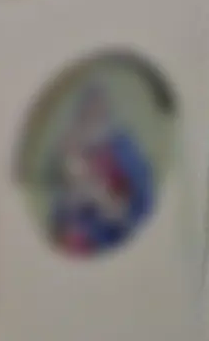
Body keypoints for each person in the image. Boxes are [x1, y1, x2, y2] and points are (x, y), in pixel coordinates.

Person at [46, 81, 154, 257]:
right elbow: (60, 222)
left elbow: (140, 207)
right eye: (87, 114)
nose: (93, 118)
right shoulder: (73, 157)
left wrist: (110, 205)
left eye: (98, 111)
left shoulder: (124, 147)